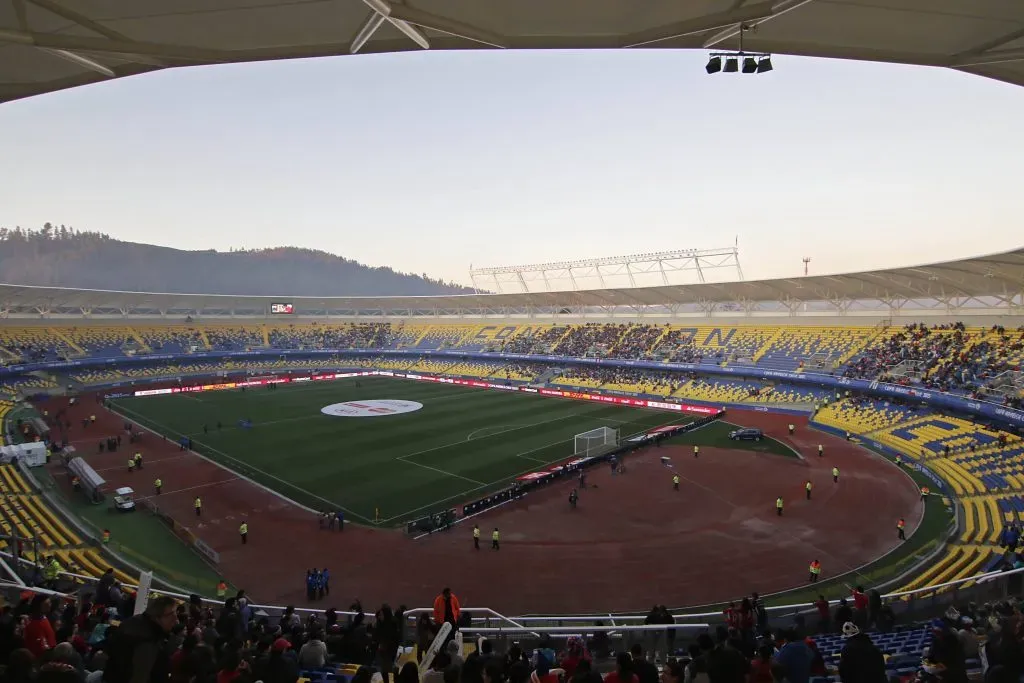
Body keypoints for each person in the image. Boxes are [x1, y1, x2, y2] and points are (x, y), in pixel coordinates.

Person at [102, 595, 177, 683]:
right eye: (171, 614)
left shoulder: (133, 622)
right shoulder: (148, 640)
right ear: (157, 617)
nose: (175, 620)